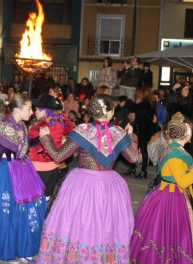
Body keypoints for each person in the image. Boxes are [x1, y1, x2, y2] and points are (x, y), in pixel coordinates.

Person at [35, 94, 139, 263]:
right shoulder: (118, 132)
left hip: (82, 183)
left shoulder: (82, 130)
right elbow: (133, 158)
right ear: (111, 112)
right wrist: (131, 138)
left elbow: (59, 155)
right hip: (110, 185)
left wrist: (45, 138)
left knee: (78, 223)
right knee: (107, 224)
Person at [129, 112, 193, 264]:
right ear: (186, 133)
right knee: (168, 232)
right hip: (171, 197)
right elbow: (182, 181)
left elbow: (180, 173)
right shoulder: (175, 154)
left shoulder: (172, 147)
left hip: (168, 192)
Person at [0, 94, 46, 263]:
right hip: (6, 172)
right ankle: (10, 249)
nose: (32, 112)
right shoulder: (5, 126)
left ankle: (24, 249)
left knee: (27, 210)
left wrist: (39, 138)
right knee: (9, 211)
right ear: (17, 109)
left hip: (23, 168)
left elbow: (23, 146)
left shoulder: (22, 125)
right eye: (29, 108)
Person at [28, 94, 74, 198]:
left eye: (38, 110)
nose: (35, 112)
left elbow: (29, 144)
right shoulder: (60, 121)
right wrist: (62, 115)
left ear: (45, 111)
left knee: (36, 199)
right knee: (47, 196)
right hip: (54, 165)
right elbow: (70, 129)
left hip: (39, 167)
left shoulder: (39, 127)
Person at [135, 86, 155, 179]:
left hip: (144, 130)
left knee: (143, 150)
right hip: (144, 129)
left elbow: (134, 108)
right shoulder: (148, 103)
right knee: (142, 150)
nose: (137, 94)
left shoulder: (145, 104)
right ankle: (142, 171)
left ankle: (143, 171)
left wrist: (130, 102)